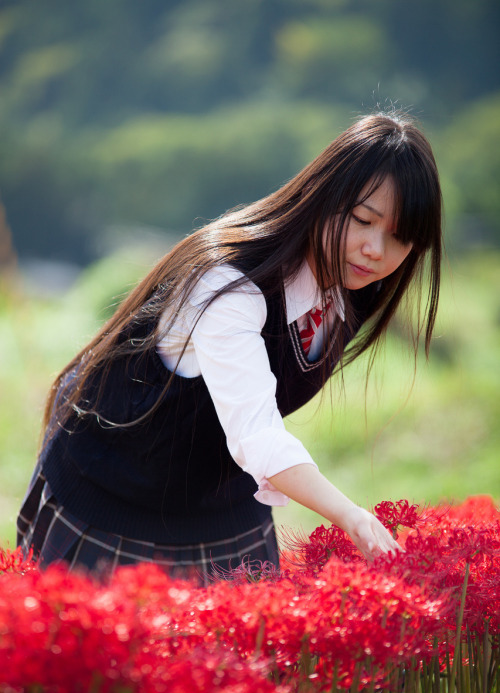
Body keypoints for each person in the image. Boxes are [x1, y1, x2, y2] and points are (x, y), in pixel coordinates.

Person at [17, 110, 442, 584]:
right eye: (364, 220)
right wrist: (350, 516)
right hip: (112, 494)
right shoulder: (228, 283)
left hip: (220, 497)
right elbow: (256, 434)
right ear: (324, 194)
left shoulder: (354, 282)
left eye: (400, 238)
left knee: (243, 655)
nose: (376, 250)